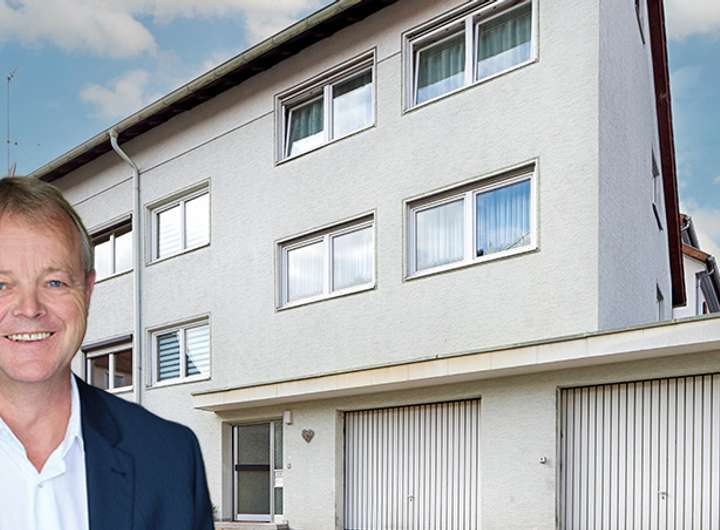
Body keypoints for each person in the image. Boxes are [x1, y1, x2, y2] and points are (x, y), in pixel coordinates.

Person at [0, 176, 214, 530]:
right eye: (2, 284)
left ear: (87, 291)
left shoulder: (171, 459)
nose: (30, 308)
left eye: (55, 282)